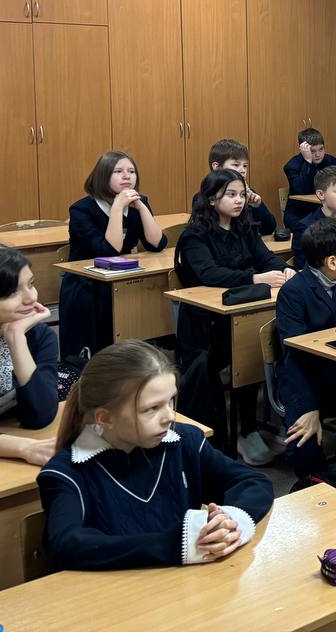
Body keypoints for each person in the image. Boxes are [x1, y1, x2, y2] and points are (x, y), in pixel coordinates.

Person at [37, 339, 272, 570]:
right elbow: (67, 545)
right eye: (152, 409)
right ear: (105, 418)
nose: (169, 416)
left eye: (171, 401)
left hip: (184, 587)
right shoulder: (68, 472)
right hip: (119, 592)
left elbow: (252, 481)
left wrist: (230, 521)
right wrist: (172, 545)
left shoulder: (184, 442)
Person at [175, 169, 294, 464]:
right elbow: (209, 274)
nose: (239, 200)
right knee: (239, 357)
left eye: (241, 194)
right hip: (204, 325)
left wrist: (284, 269)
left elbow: (265, 257)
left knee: (253, 354)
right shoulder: (194, 234)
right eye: (231, 195)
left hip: (241, 315)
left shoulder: (244, 228)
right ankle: (225, 438)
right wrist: (255, 278)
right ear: (211, 198)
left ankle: (248, 428)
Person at [275, 219, 336, 478]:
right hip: (303, 376)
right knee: (303, 441)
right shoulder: (294, 292)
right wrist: (310, 407)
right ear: (332, 262)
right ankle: (315, 486)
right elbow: (294, 354)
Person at [61, 151, 167, 359]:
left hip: (123, 277)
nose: (127, 176)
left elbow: (157, 244)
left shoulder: (137, 203)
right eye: (118, 171)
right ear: (103, 176)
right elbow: (109, 250)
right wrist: (118, 207)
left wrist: (142, 207)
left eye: (131, 171)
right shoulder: (81, 210)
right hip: (88, 284)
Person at [0, 247, 59, 466]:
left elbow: (40, 416)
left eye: (31, 284)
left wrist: (16, 339)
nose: (31, 297)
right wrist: (22, 447)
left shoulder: (38, 336)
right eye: (12, 293)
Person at [196, 139, 276, 235]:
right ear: (217, 167)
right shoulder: (203, 197)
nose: (243, 170)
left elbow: (269, 229)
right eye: (236, 165)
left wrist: (258, 206)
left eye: (245, 166)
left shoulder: (249, 194)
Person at [282, 128, 336, 230]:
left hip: (325, 210)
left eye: (321, 149)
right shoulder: (292, 166)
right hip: (300, 213)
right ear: (303, 150)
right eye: (312, 151)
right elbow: (302, 189)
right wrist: (308, 162)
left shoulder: (331, 161)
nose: (318, 154)